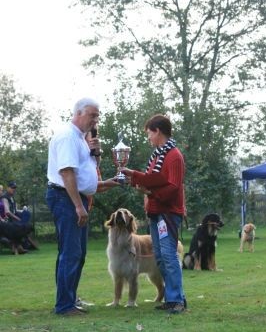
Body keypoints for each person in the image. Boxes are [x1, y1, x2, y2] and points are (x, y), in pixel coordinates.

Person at [46, 97, 119, 316]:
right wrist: (78, 206)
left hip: (75, 198)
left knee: (78, 253)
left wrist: (108, 180)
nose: (96, 120)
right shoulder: (68, 137)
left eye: (97, 116)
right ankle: (64, 305)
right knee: (71, 253)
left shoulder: (80, 139)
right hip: (66, 198)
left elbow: (85, 178)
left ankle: (70, 299)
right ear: (79, 113)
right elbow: (67, 173)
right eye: (92, 115)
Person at [122, 114, 186, 314]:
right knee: (159, 257)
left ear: (157, 131)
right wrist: (133, 176)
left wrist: (149, 193)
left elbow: (173, 187)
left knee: (168, 255)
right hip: (157, 213)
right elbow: (153, 179)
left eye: (149, 133)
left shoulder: (173, 156)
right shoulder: (158, 155)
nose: (148, 137)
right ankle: (171, 297)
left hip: (167, 213)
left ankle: (177, 300)